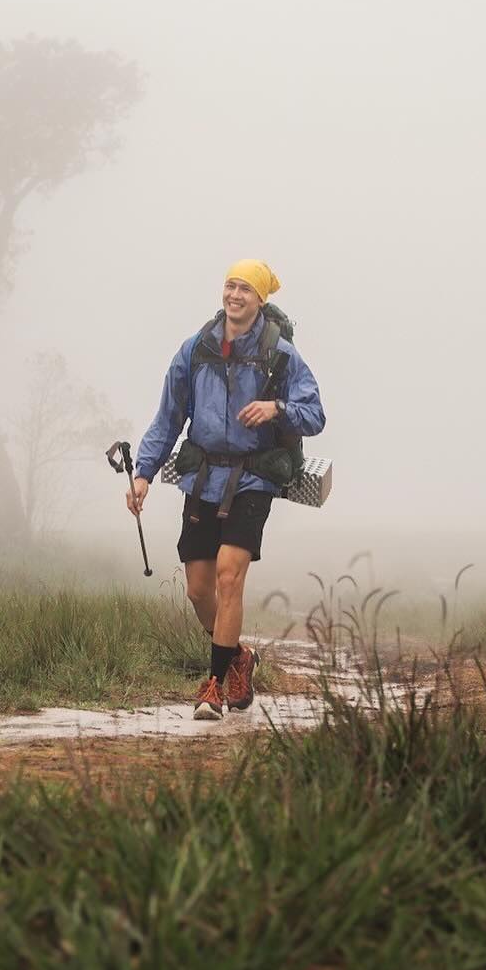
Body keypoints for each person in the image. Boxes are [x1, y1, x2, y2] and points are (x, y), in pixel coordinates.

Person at [127, 260, 326, 720]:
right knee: (199, 591)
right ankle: (239, 657)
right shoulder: (195, 350)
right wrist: (143, 473)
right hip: (203, 477)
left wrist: (276, 408)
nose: (235, 294)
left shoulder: (282, 357)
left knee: (228, 575)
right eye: (230, 285)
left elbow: (314, 415)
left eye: (245, 289)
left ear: (260, 300)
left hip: (255, 477)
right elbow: (168, 418)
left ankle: (214, 687)